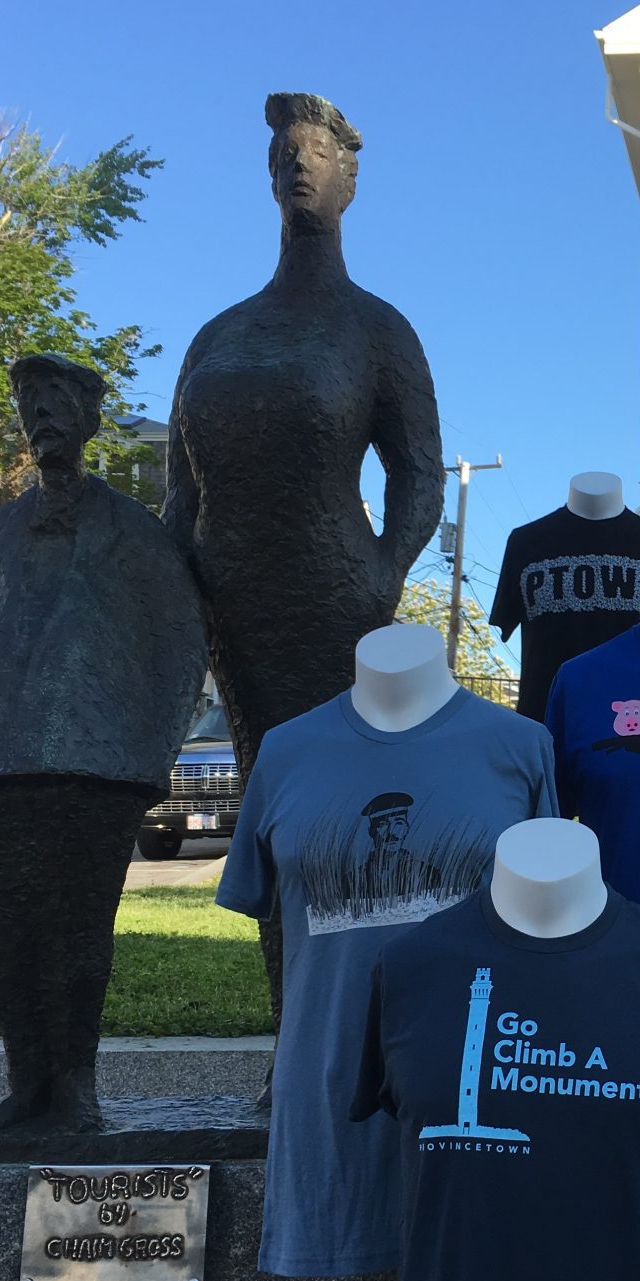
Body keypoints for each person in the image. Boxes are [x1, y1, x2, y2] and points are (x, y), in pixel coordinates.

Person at [0, 354, 207, 1134]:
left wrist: (152, 750)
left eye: (57, 401)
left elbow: (180, 640)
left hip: (95, 764)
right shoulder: (0, 527)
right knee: (3, 937)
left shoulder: (134, 529)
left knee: (79, 935)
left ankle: (74, 1089)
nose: (43, 417)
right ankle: (27, 1087)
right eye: (31, 404)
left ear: (90, 418)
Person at [163, 92, 443, 784]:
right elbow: (181, 491)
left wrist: (385, 573)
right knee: (264, 784)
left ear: (349, 181)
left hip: (335, 588)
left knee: (333, 785)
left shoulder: (378, 329)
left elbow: (418, 473)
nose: (300, 167)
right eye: (286, 155)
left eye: (317, 154)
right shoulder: (218, 336)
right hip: (230, 595)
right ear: (269, 178)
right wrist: (179, 586)